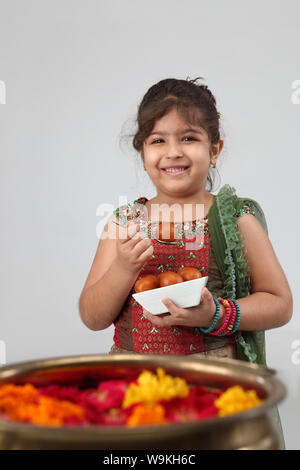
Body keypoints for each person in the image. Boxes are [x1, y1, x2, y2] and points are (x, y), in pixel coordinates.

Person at [78, 77, 293, 449]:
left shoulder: (236, 219)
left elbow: (279, 303)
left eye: (189, 138)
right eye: (158, 140)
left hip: (214, 385)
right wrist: (124, 268)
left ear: (214, 149)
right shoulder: (124, 223)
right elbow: (92, 316)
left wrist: (215, 316)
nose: (173, 151)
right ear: (142, 152)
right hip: (134, 384)